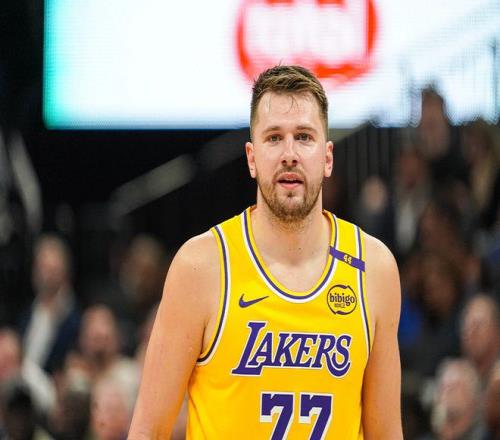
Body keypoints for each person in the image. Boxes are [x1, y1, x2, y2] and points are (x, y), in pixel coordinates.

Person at [129, 65, 402, 439]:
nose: (289, 154)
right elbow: (147, 431)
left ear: (327, 158)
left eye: (304, 137)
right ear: (252, 157)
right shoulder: (201, 266)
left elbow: (386, 434)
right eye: (274, 138)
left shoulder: (374, 267)